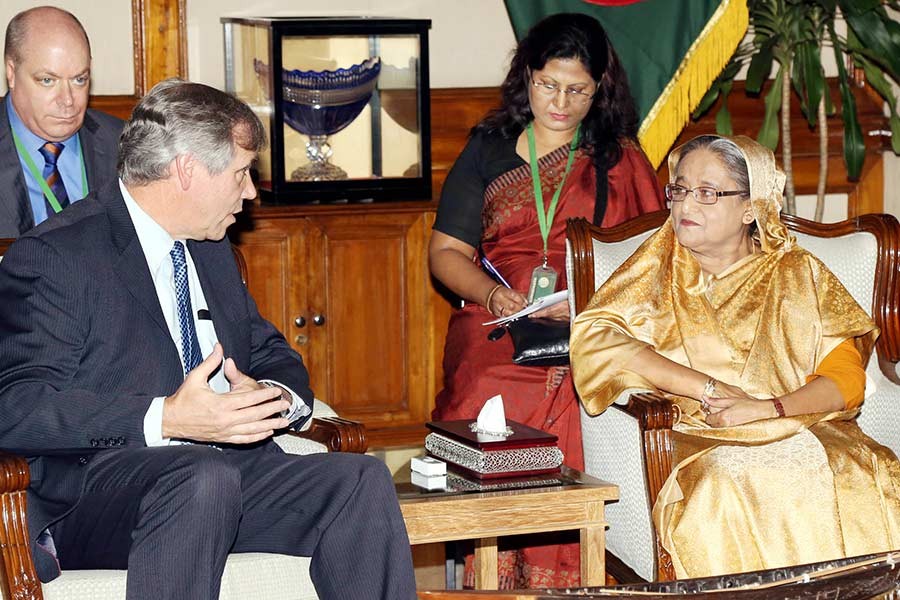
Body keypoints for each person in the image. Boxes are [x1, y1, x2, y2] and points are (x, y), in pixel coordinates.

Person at [0, 78, 416, 600]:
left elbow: (270, 353)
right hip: (97, 495)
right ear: (187, 170)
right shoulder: (60, 256)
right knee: (199, 476)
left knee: (360, 481)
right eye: (241, 173)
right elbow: (16, 407)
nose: (251, 192)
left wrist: (273, 396)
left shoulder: (209, 247)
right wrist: (167, 416)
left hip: (227, 472)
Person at [570, 134, 900, 578]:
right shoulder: (652, 268)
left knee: (863, 470)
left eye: (707, 193)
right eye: (680, 189)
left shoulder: (799, 273)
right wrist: (708, 388)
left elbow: (846, 379)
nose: (686, 205)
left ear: (752, 207)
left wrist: (767, 408)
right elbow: (595, 338)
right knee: (725, 484)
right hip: (701, 440)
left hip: (803, 425)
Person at [429, 12, 664, 588]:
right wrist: (495, 294)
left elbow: (653, 263)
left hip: (595, 312)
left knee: (591, 378)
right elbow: (446, 253)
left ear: (600, 88)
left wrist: (586, 299)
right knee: (485, 375)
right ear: (526, 76)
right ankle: (494, 571)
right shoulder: (487, 148)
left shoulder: (620, 158)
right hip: (500, 311)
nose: (560, 101)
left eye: (577, 90)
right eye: (547, 84)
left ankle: (572, 576)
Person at [1, 6, 123, 237]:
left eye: (79, 80)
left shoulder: (124, 144)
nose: (68, 100)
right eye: (47, 80)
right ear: (11, 73)